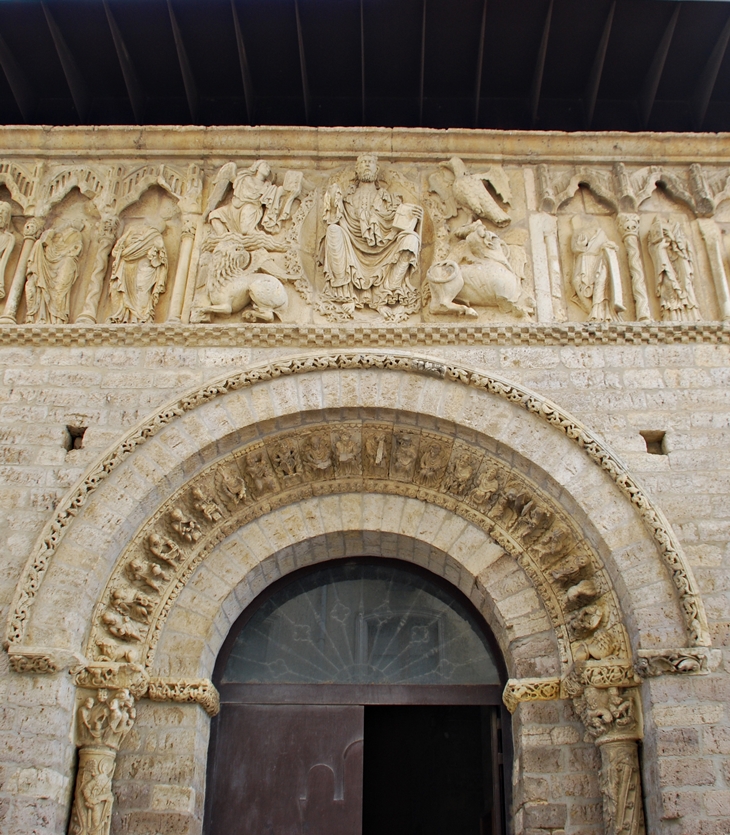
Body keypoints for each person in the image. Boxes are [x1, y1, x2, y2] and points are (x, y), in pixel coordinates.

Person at [321, 153, 422, 317]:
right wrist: (332, 202)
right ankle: (347, 295)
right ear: (357, 169)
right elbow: (335, 219)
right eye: (364, 163)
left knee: (411, 240)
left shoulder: (388, 199)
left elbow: (397, 221)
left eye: (370, 163)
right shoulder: (346, 198)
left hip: (385, 245)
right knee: (333, 231)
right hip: (352, 244)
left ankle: (382, 297)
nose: (367, 165)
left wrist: (414, 214)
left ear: (377, 170)